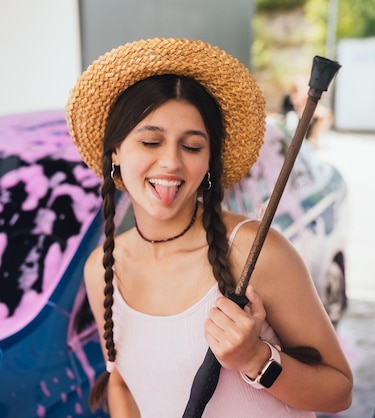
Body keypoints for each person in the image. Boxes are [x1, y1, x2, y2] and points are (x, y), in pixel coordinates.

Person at [66, 38, 353, 417]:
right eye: (151, 141)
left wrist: (256, 359)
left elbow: (338, 391)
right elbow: (120, 382)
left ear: (209, 164)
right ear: (116, 151)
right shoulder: (101, 270)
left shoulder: (255, 251)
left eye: (192, 146)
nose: (170, 161)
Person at [282, 76, 334, 145]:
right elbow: (296, 106)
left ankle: (313, 138)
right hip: (297, 115)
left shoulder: (306, 96)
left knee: (324, 115)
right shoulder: (293, 97)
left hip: (306, 113)